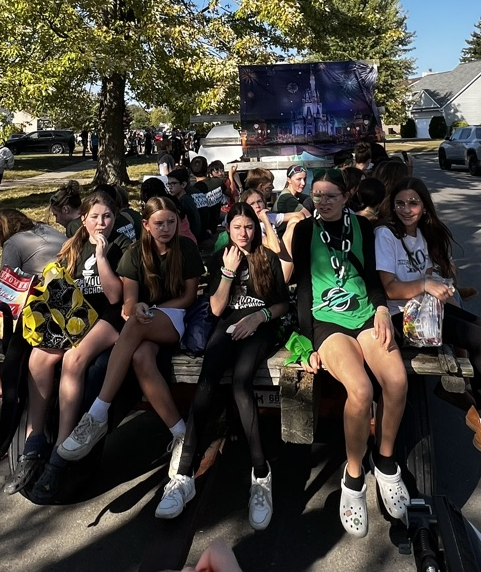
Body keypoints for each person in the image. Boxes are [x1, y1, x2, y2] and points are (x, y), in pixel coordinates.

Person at [374, 176, 481, 471]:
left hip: (425, 311)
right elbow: (390, 288)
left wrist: (439, 285)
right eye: (400, 203)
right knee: (480, 340)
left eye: (413, 203)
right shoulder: (386, 235)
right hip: (402, 318)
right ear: (392, 205)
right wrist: (425, 284)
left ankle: (471, 402)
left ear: (424, 207)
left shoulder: (422, 234)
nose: (406, 209)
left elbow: (427, 274)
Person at [282, 168, 410, 537]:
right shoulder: (306, 230)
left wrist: (382, 308)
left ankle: (385, 462)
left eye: (330, 196)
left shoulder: (363, 227)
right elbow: (302, 287)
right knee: (361, 390)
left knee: (397, 381)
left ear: (346, 196)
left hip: (365, 313)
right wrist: (306, 341)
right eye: (317, 195)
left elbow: (371, 276)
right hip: (326, 319)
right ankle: (353, 476)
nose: (322, 202)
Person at [156, 202, 288, 529]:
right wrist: (228, 272)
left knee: (242, 383)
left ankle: (261, 474)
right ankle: (183, 476)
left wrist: (259, 317)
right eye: (237, 227)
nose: (244, 233)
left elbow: (282, 304)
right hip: (227, 325)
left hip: (259, 326)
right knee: (206, 383)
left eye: (249, 227)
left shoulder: (267, 257)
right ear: (228, 229)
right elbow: (216, 309)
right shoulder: (221, 257)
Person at [57, 195, 205, 462]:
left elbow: (188, 297)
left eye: (171, 222)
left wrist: (150, 310)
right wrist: (137, 307)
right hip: (144, 322)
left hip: (176, 316)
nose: (166, 229)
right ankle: (181, 434)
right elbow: (128, 302)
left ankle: (98, 413)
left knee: (136, 323)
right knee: (141, 357)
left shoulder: (186, 248)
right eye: (159, 223)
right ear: (146, 224)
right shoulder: (135, 253)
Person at [8, 191, 126, 500]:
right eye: (95, 217)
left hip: (110, 317)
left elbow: (115, 297)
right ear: (83, 219)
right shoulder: (72, 246)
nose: (101, 223)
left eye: (107, 217)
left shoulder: (122, 246)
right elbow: (61, 286)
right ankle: (33, 442)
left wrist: (102, 257)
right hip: (77, 315)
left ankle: (61, 449)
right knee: (38, 358)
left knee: (74, 359)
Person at [0, 209, 67, 407]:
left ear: (1, 232)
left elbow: (6, 286)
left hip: (43, 306)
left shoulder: (13, 243)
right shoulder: (46, 229)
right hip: (68, 294)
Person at [166, 167, 202, 241]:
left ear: (183, 184)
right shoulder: (186, 198)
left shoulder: (184, 201)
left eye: (173, 183)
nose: (170, 187)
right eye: (168, 184)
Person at [272, 165, 308, 236]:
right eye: (299, 179)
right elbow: (308, 217)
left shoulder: (296, 195)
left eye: (305, 179)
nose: (303, 183)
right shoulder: (287, 198)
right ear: (289, 180)